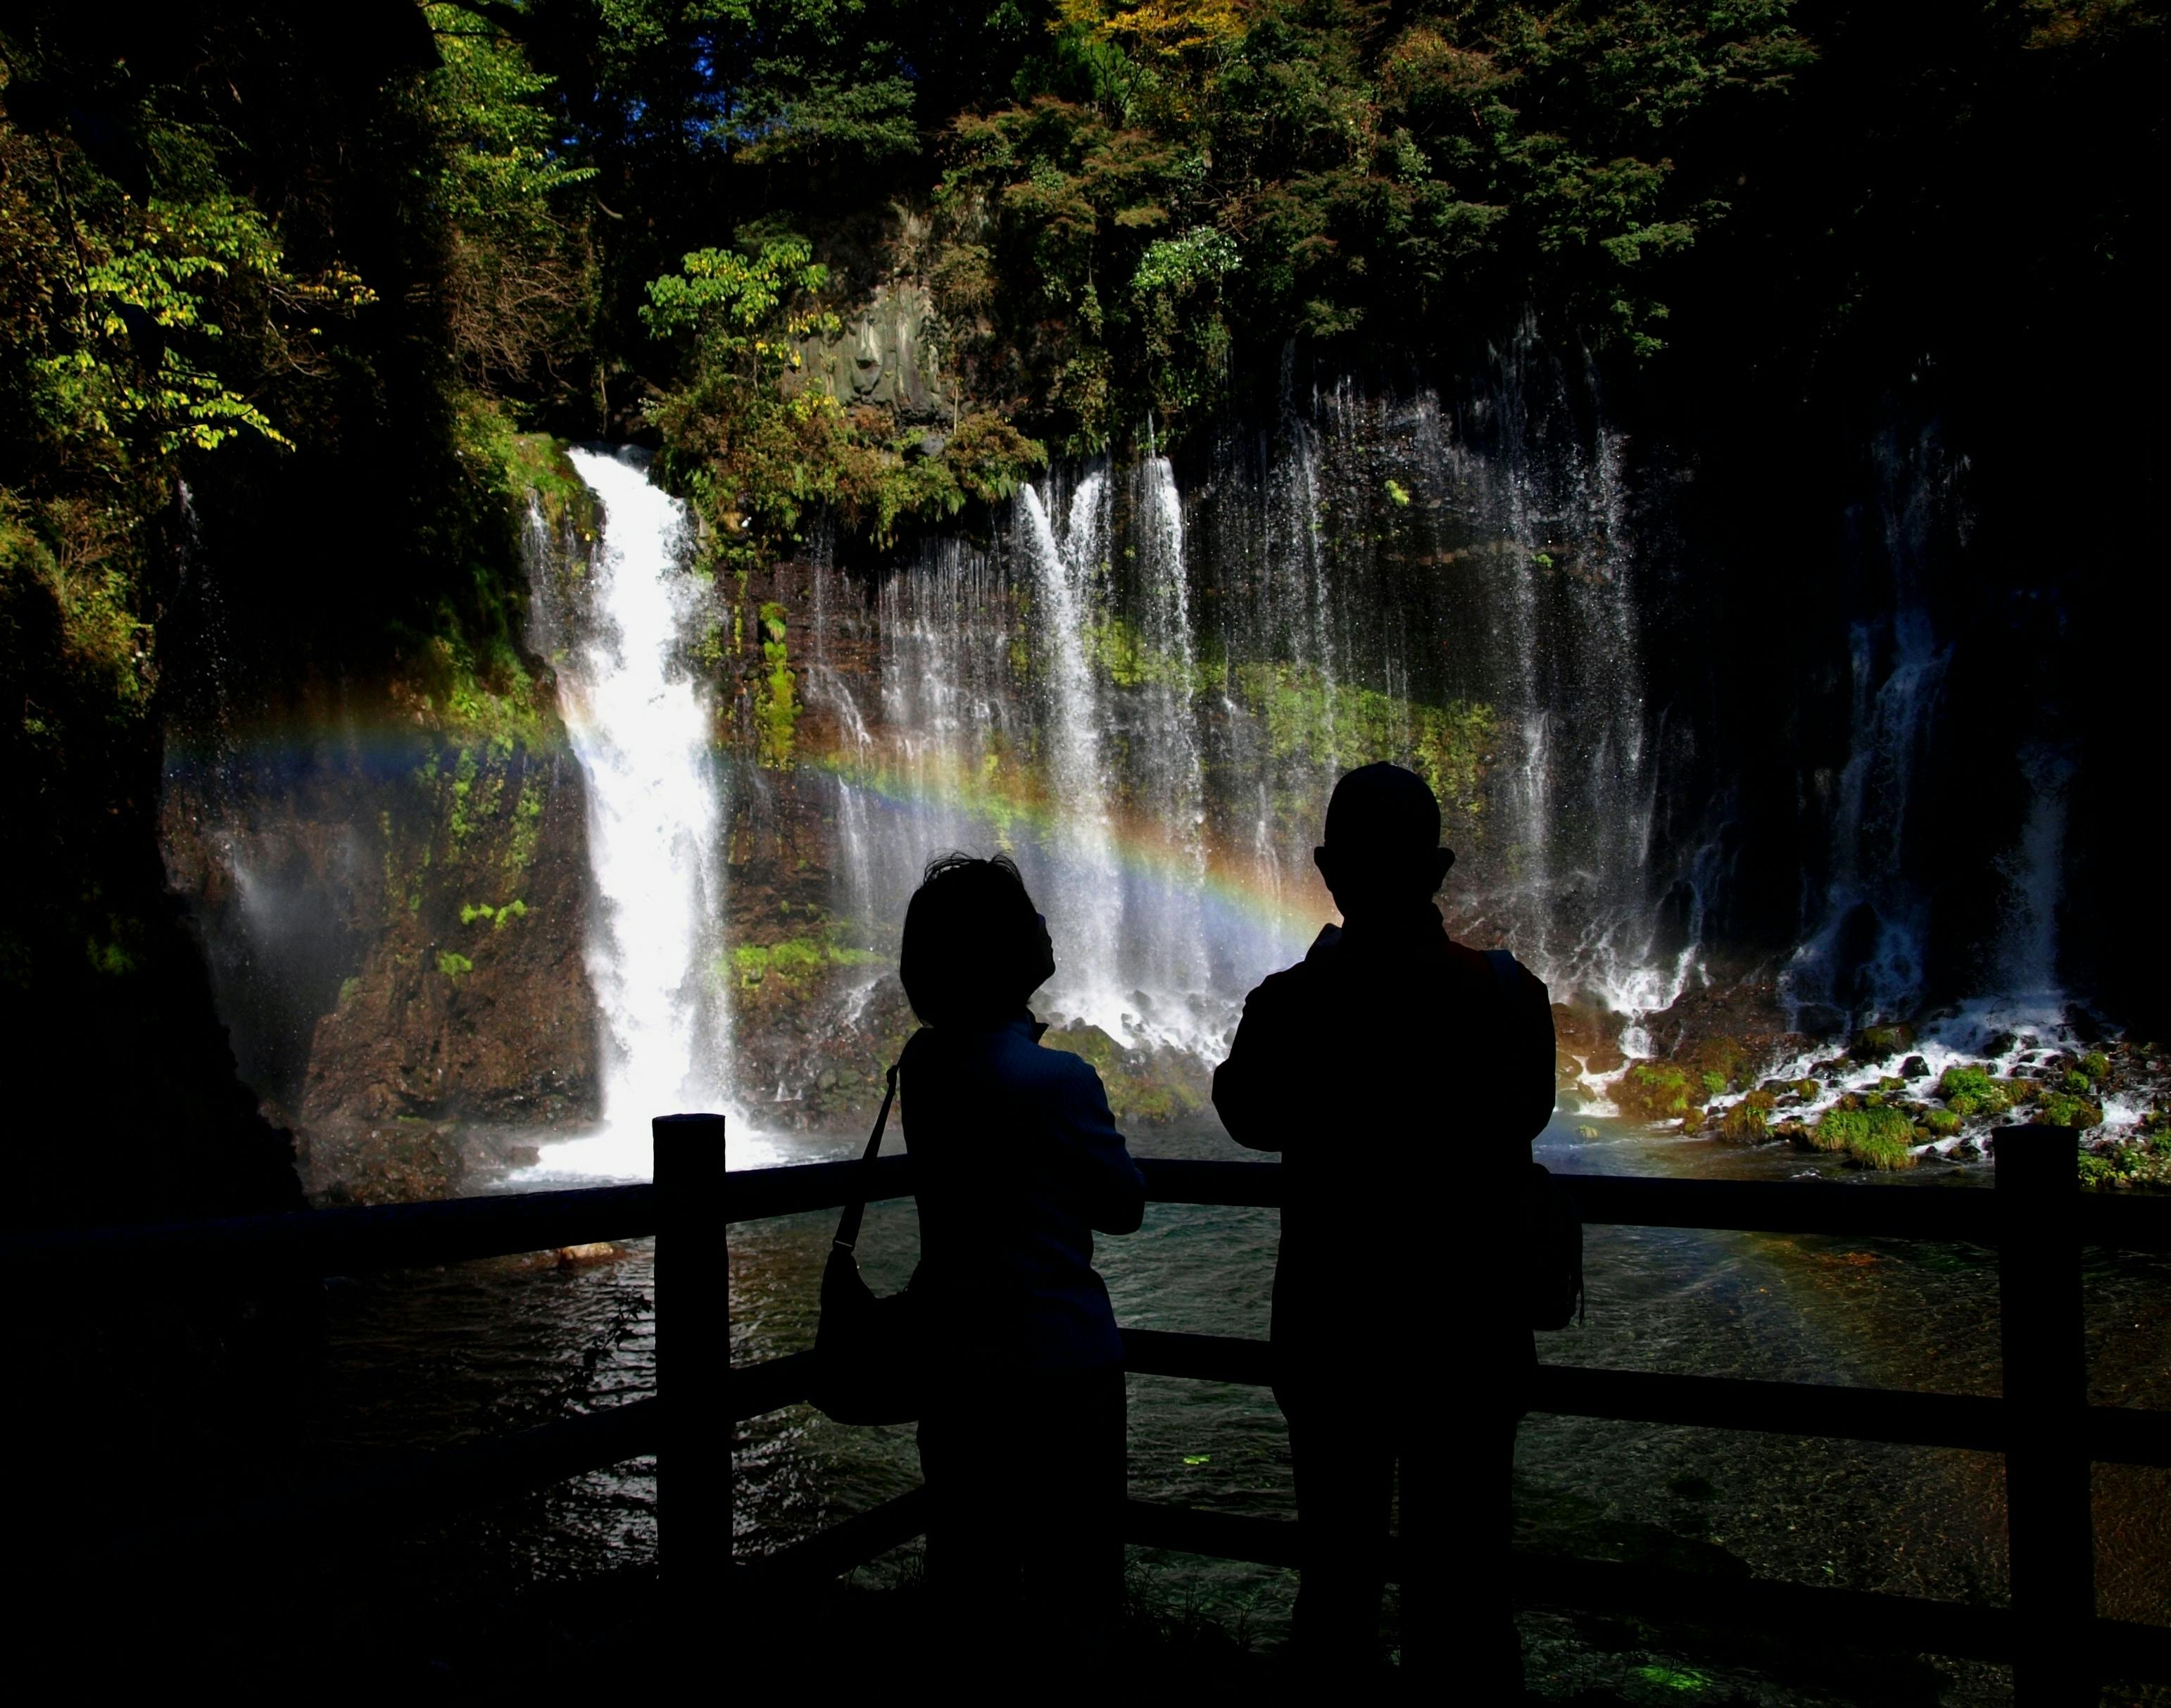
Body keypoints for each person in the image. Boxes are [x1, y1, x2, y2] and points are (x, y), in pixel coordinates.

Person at [1212, 763, 1556, 1688]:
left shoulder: (1291, 1004)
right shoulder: (1511, 995)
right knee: (1470, 1591)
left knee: (1336, 1583)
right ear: (1440, 867)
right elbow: (1529, 1113)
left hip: (1334, 1337)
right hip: (1471, 1336)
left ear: (1326, 867)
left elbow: (1245, 1115)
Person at [896, 852, 1147, 1652]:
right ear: (1001, 952)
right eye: (1029, 915)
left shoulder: (923, 1067)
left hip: (956, 1364)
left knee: (971, 1581)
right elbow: (1124, 1206)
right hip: (1060, 1368)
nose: (1047, 923)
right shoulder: (1058, 1079)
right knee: (1076, 1588)